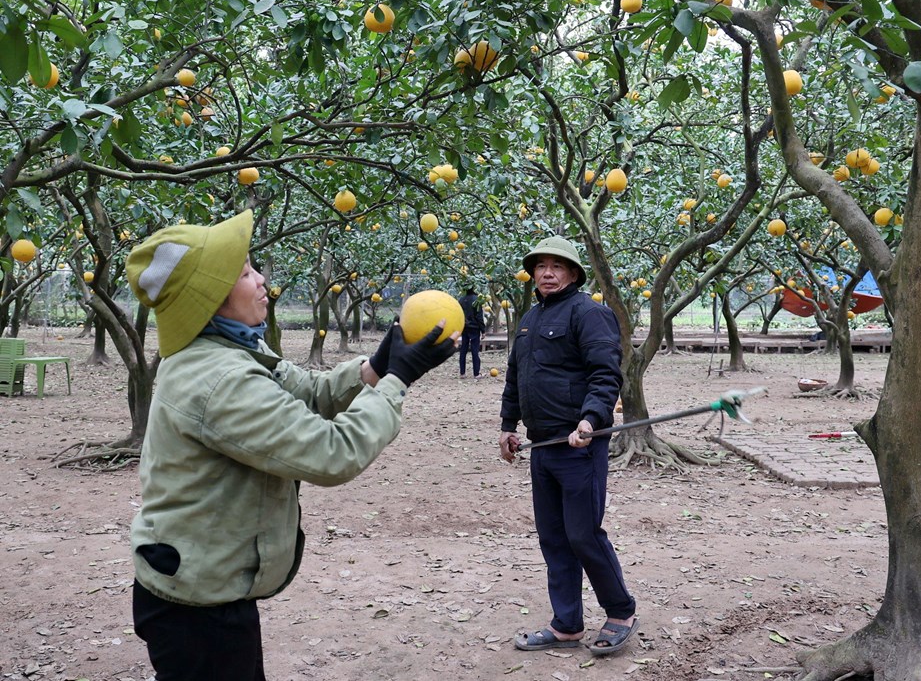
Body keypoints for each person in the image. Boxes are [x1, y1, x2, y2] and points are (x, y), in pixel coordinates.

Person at [124, 210, 456, 680]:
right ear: (210, 299)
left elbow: (310, 393)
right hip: (197, 605)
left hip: (205, 583)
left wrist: (378, 365)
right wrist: (399, 381)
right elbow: (332, 453)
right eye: (243, 274)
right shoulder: (220, 379)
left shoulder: (231, 351)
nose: (261, 281)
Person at [498, 236, 638, 656]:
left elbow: (604, 374)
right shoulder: (529, 320)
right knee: (554, 538)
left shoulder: (590, 314)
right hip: (542, 447)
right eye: (540, 266)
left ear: (573, 273)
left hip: (579, 445)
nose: (547, 273)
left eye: (556, 266)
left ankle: (620, 611)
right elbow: (514, 378)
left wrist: (591, 418)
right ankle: (567, 625)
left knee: (582, 534)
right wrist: (508, 426)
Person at [458, 287, 485, 378]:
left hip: (464, 327)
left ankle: (462, 373)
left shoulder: (461, 300)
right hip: (474, 328)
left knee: (463, 350)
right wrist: (483, 330)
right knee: (474, 350)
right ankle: (476, 374)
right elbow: (479, 316)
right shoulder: (476, 300)